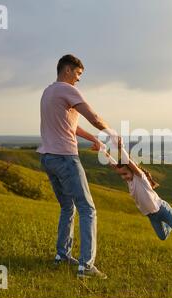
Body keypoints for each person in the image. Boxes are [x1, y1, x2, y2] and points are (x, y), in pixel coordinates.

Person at [37, 54, 117, 279]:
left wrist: (93, 139)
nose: (79, 80)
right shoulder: (68, 90)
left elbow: (71, 126)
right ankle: (86, 266)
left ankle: (62, 255)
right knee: (87, 209)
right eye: (78, 74)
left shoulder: (48, 92)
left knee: (67, 207)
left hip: (48, 158)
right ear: (68, 70)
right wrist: (111, 133)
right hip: (65, 158)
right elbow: (93, 116)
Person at [101, 144, 172, 240]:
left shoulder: (140, 178)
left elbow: (129, 163)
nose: (123, 177)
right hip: (151, 215)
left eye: (125, 174)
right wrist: (103, 151)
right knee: (163, 236)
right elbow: (114, 166)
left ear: (133, 171)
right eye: (121, 175)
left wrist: (121, 148)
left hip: (162, 209)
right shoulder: (130, 181)